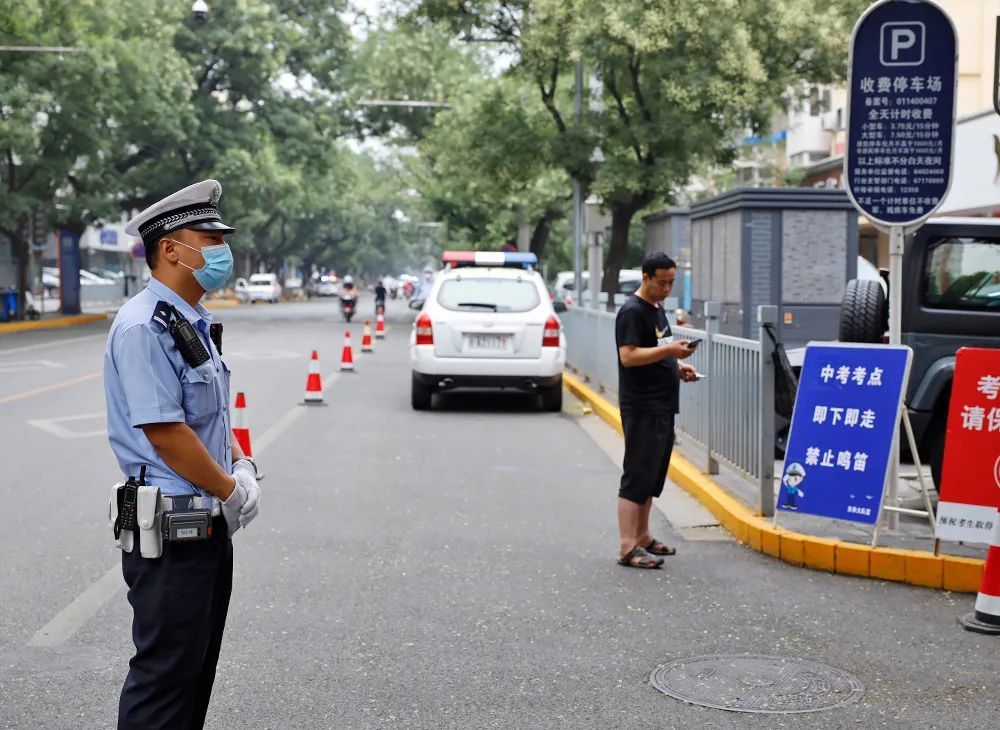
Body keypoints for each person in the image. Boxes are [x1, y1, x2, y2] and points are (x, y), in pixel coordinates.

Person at [105, 179, 262, 729]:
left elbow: (208, 418)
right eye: (209, 238)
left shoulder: (188, 321)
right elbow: (165, 431)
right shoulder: (143, 326)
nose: (222, 251)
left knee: (194, 667)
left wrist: (238, 464)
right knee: (165, 673)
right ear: (171, 248)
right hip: (171, 526)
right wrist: (229, 488)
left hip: (203, 521)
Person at [615, 251, 699, 569]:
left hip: (662, 403)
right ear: (646, 277)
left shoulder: (657, 308)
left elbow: (659, 350)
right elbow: (629, 356)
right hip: (642, 404)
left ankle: (643, 536)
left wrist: (677, 366)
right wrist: (669, 350)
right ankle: (626, 546)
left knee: (652, 474)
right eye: (661, 283)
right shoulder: (632, 312)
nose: (666, 289)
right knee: (637, 473)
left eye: (671, 283)